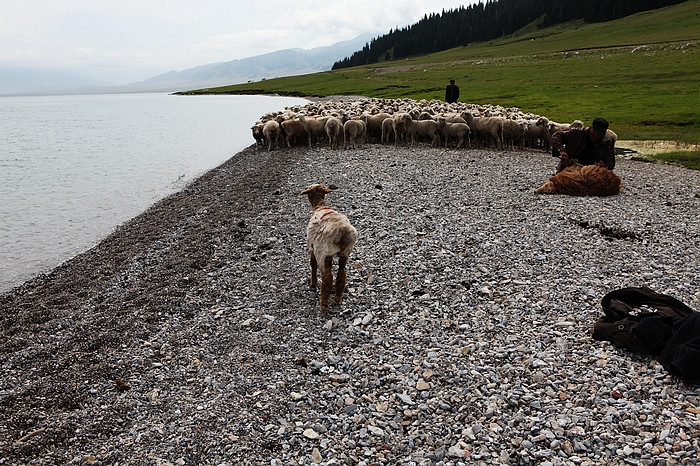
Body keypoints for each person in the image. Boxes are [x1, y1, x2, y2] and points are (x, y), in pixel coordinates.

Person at [551, 117, 616, 173]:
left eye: (599, 135)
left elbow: (611, 163)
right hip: (568, 167)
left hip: (589, 172)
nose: (596, 136)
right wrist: (561, 151)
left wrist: (603, 166)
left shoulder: (604, 143)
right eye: (595, 133)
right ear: (591, 127)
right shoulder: (576, 133)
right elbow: (556, 136)